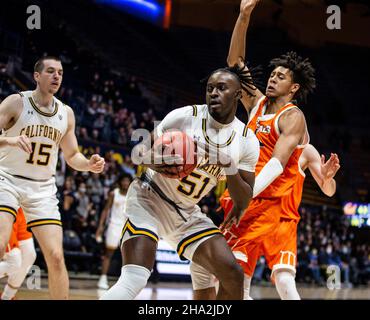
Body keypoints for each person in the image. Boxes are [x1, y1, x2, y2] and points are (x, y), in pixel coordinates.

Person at [100, 64, 260, 300]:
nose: (213, 93)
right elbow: (138, 153)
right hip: (149, 197)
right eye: (210, 88)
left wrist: (229, 165)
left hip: (186, 211)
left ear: (237, 94)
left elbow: (244, 198)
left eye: (221, 88)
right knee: (135, 278)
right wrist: (155, 160)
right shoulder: (186, 116)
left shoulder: (247, 140)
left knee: (233, 274)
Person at [191, 0, 315, 300]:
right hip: (249, 197)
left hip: (267, 201)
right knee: (227, 274)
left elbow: (275, 163)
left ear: (294, 88)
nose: (272, 78)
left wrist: (244, 196)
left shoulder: (293, 117)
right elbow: (235, 64)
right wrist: (244, 15)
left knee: (238, 275)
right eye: (272, 74)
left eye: (281, 77)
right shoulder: (258, 103)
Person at [0, 56, 105, 299]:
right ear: (37, 76)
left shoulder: (66, 113)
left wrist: (88, 164)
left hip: (43, 189)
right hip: (7, 180)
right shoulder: (16, 102)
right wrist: (10, 139)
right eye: (50, 71)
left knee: (56, 258)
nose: (56, 76)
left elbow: (72, 155)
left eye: (60, 72)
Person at [193, 144, 340, 299]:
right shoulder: (255, 138)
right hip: (251, 216)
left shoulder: (306, 150)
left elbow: (328, 191)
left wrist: (327, 178)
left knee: (285, 281)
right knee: (231, 281)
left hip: (282, 219)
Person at [96, 173, 133, 289]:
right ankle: (102, 278)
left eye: (128, 181)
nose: (126, 183)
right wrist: (100, 227)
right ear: (120, 182)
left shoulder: (132, 195)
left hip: (127, 227)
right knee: (108, 253)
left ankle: (125, 281)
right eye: (124, 180)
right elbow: (106, 210)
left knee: (128, 256)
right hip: (114, 225)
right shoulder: (114, 193)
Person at [0, 208, 36, 300]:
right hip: (5, 206)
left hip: (20, 206)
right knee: (14, 261)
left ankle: (7, 297)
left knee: (29, 255)